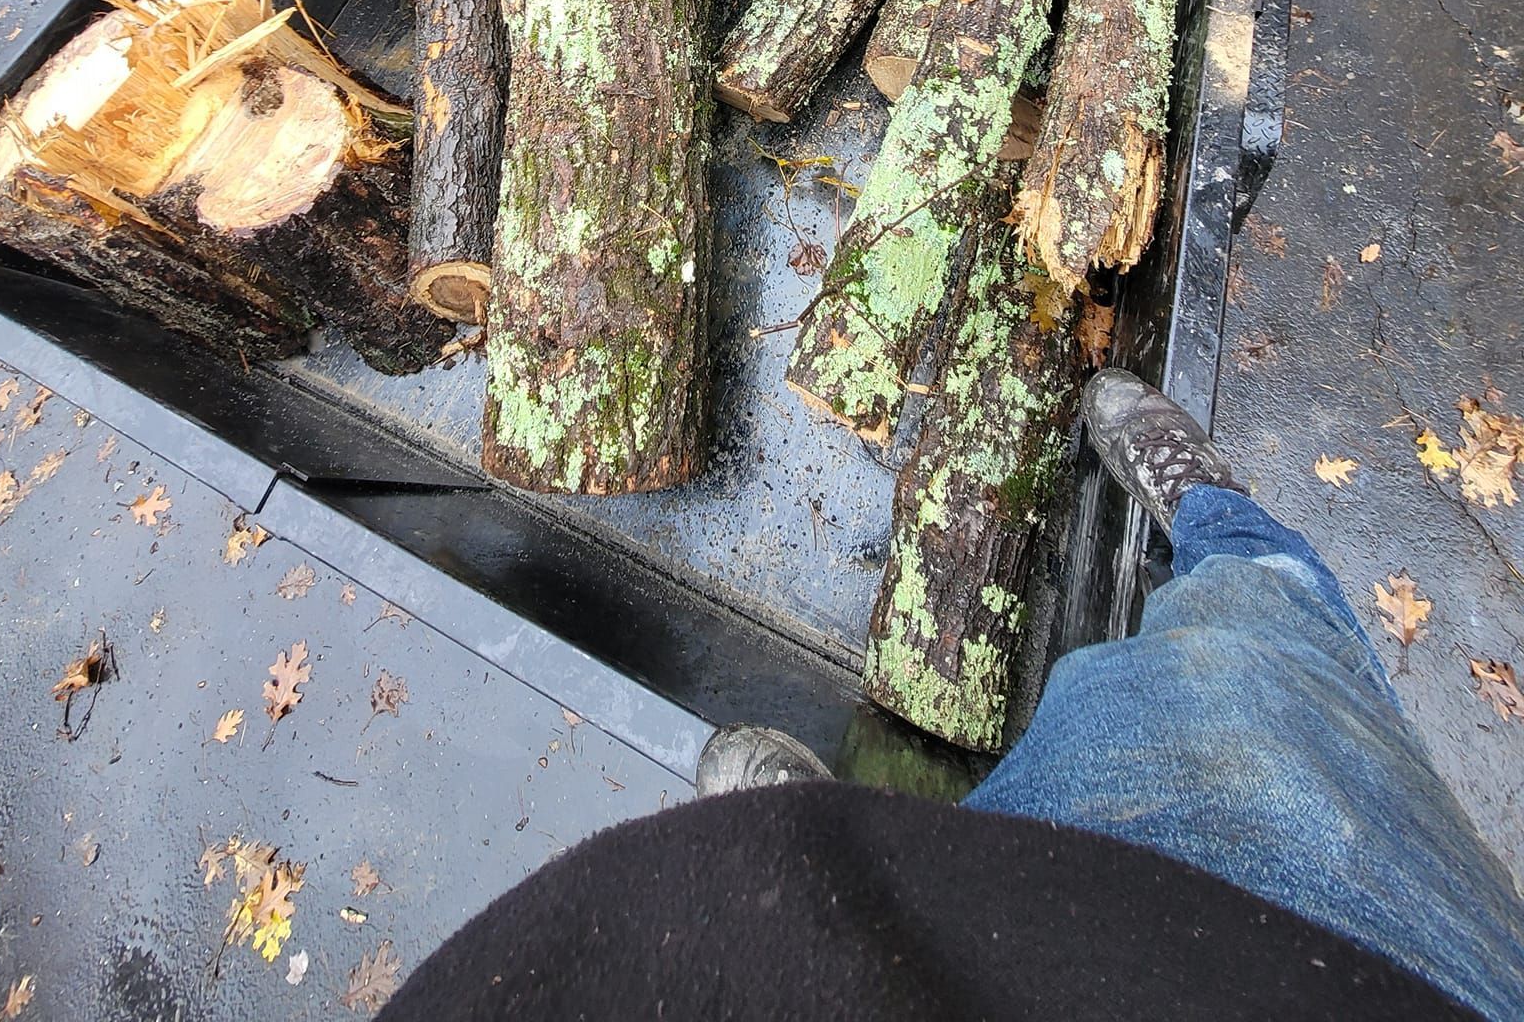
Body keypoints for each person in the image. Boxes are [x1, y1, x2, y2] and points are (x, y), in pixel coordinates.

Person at [384, 370, 1524, 1020]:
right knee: (1249, 671)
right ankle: (1232, 536)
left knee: (1200, 683)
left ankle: (839, 851)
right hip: (1307, 951)